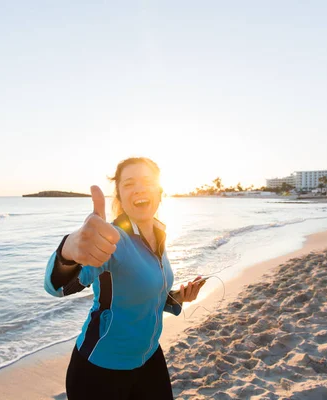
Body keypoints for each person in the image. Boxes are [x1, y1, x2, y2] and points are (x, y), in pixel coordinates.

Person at [43, 157, 206, 399]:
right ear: (119, 196)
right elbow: (59, 287)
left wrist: (177, 297)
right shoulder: (112, 240)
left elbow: (143, 296)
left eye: (147, 182)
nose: (139, 188)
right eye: (129, 184)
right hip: (101, 369)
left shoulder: (159, 234)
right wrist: (68, 251)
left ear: (160, 192)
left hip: (149, 357)